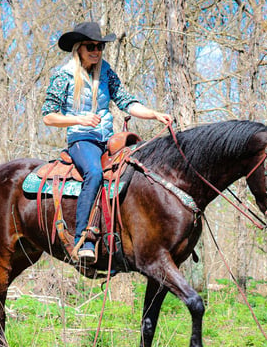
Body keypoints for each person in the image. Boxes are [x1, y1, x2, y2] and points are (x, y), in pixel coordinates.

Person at [42, 21, 172, 261]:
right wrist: (78, 119)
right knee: (94, 173)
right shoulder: (64, 76)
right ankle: (84, 239)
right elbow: (48, 117)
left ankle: (127, 237)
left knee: (137, 171)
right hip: (82, 139)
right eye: (91, 46)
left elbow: (127, 102)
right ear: (79, 48)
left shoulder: (106, 73)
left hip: (108, 139)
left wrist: (153, 113)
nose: (96, 51)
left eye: (100, 46)